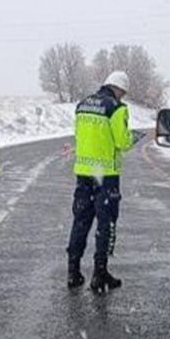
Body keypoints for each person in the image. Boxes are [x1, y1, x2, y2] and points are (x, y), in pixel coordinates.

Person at [66, 71, 134, 292]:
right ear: (120, 89)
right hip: (106, 176)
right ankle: (100, 274)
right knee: (106, 225)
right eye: (123, 93)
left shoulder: (83, 104)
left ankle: (73, 272)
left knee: (81, 222)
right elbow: (123, 142)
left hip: (84, 174)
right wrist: (132, 137)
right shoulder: (116, 108)